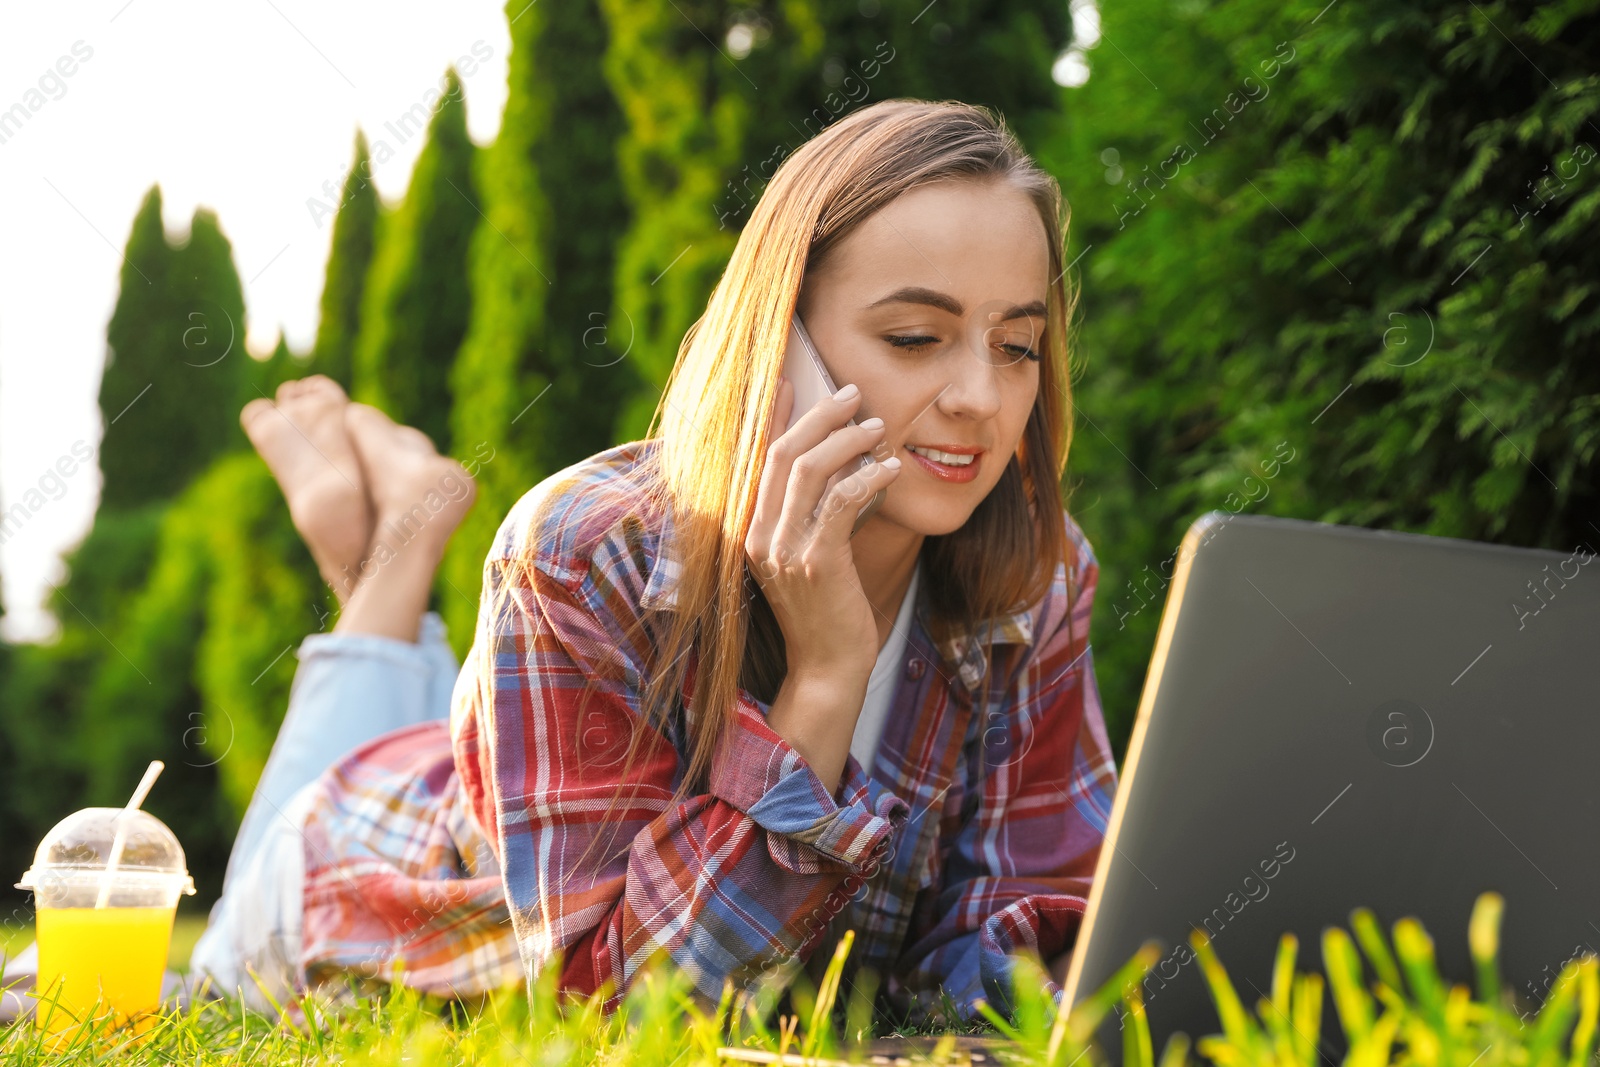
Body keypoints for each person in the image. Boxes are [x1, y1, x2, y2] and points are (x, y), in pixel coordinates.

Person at [188, 97, 1119, 1024]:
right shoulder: (584, 551)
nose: (980, 398)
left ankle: (388, 539)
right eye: (915, 337)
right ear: (779, 345)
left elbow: (1017, 904)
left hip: (477, 764)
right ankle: (390, 553)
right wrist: (827, 677)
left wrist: (1035, 996)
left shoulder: (1035, 569)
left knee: (439, 731)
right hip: (356, 878)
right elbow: (616, 1014)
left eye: (1016, 346)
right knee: (282, 849)